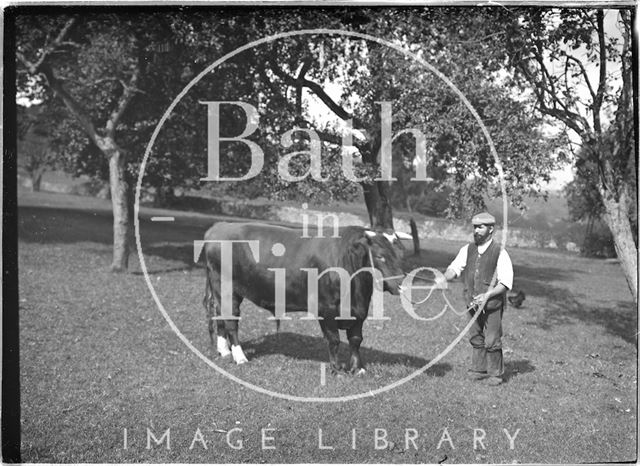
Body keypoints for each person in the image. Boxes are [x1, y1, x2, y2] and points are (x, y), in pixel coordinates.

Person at [441, 212, 513, 386]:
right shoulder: (467, 250)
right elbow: (454, 268)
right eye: (475, 227)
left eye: (480, 227)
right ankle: (478, 370)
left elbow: (505, 283)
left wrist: (487, 295)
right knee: (475, 336)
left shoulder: (500, 252)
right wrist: (444, 277)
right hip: (472, 303)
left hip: (492, 305)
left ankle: (495, 374)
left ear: (491, 229)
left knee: (492, 339)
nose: (476, 230)